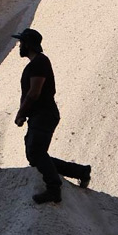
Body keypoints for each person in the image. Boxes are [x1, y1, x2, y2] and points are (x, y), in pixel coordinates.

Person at [11, 27, 91, 204]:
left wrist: (21, 113)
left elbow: (34, 93)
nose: (19, 46)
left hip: (44, 114)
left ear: (28, 45)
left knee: (36, 152)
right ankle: (80, 172)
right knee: (35, 155)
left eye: (21, 42)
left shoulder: (39, 62)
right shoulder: (36, 63)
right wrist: (25, 114)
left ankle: (54, 189)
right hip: (39, 115)